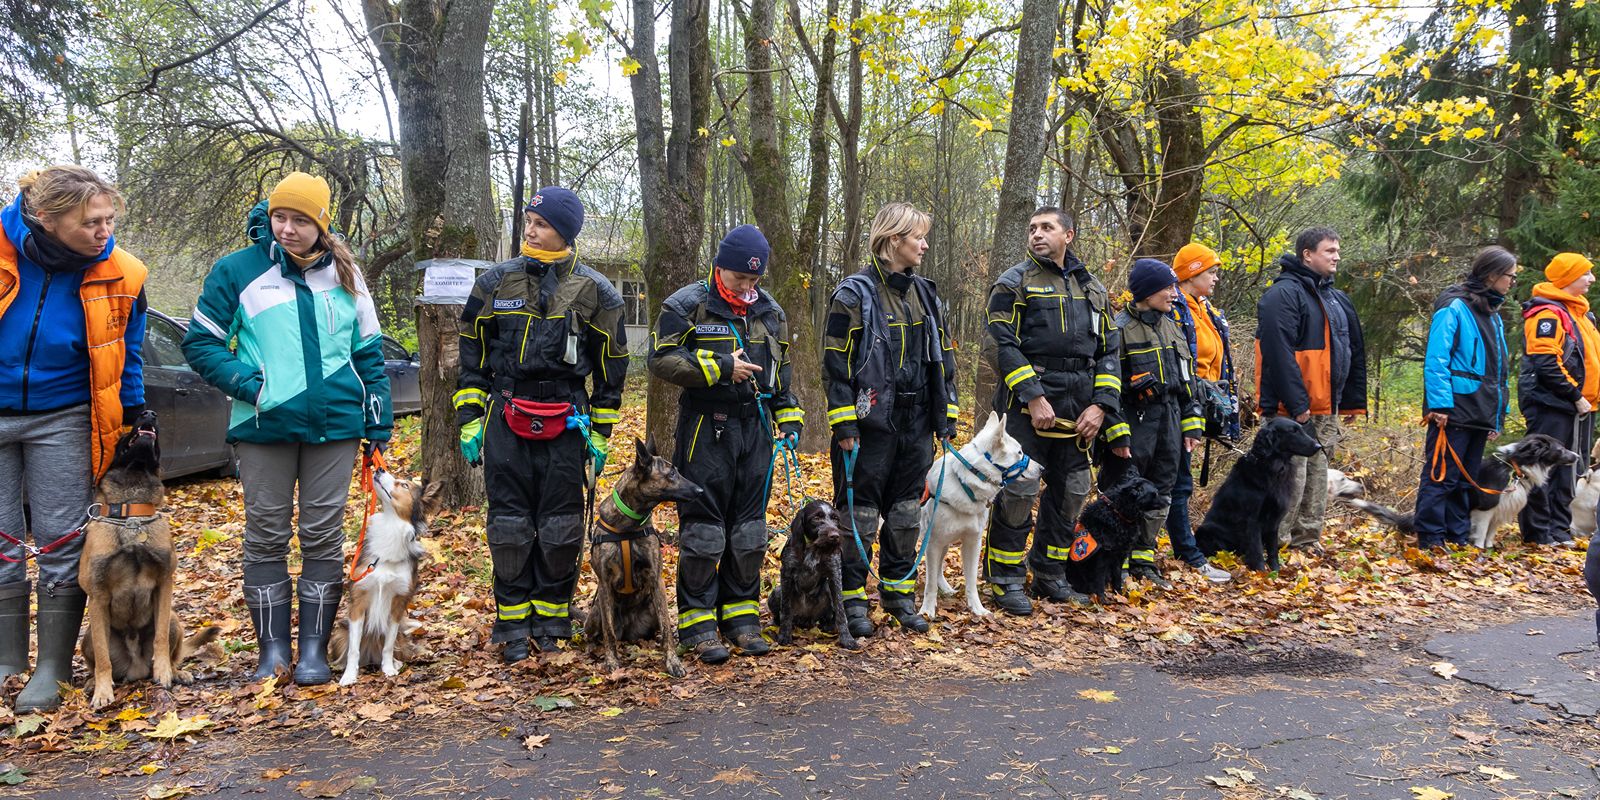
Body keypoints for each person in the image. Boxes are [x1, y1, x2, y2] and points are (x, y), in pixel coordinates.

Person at [184, 172, 391, 685]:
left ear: (322, 223)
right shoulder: (237, 271)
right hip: (263, 424)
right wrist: (250, 385)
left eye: (301, 219)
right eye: (281, 217)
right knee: (265, 535)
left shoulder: (347, 276)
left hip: (336, 426)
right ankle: (272, 651)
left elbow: (369, 354)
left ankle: (315, 653)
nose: (288, 228)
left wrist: (377, 420)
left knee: (322, 535)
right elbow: (200, 342)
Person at [453, 186, 628, 662]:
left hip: (568, 419)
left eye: (542, 223)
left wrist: (600, 432)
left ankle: (553, 621)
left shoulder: (598, 291)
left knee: (561, 527)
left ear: (565, 232)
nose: (530, 229)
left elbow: (613, 368)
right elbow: (472, 357)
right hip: (506, 415)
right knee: (508, 525)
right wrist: (470, 419)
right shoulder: (494, 283)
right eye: (528, 221)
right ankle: (511, 624)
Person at [0, 166, 148, 711]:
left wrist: (134, 414)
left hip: (65, 414)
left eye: (109, 219)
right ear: (46, 219)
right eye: (90, 222)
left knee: (63, 540)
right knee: (2, 540)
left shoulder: (123, 272)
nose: (103, 231)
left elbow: (128, 349)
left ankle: (52, 668)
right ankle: (7, 660)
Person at [648, 225, 803, 663]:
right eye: (739, 279)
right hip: (704, 429)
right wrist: (717, 367)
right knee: (704, 531)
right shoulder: (687, 304)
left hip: (754, 431)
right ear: (720, 267)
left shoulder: (771, 311)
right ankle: (697, 625)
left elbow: (783, 373)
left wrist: (788, 419)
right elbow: (659, 359)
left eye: (754, 280)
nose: (747, 288)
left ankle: (742, 620)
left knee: (749, 531)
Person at [822, 202, 959, 637]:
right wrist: (844, 425)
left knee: (904, 514)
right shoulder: (852, 294)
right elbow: (834, 365)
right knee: (858, 516)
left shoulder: (927, 294)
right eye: (917, 236)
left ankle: (899, 595)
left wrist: (945, 417)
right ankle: (852, 602)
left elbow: (945, 361)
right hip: (868, 427)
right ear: (893, 240)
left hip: (916, 424)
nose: (924, 244)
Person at [982, 207, 1119, 614]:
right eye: (1032, 229)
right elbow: (999, 345)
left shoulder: (1092, 288)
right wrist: (1031, 395)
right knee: (1020, 491)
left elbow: (1110, 351)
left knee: (1072, 492)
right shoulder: (1014, 282)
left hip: (1078, 412)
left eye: (1047, 228)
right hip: (1028, 411)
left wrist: (1101, 405)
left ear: (1069, 235)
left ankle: (1050, 575)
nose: (1037, 234)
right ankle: (1005, 578)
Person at [1255, 227, 1367, 555]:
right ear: (1307, 254)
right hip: (1290, 408)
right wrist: (1297, 402)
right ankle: (1274, 544)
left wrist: (1350, 403)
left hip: (1325, 405)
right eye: (1329, 250)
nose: (1337, 256)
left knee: (1318, 474)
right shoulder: (1282, 294)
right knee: (1289, 477)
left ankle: (1307, 541)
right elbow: (1277, 353)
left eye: (1337, 250)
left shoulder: (1334, 298)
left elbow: (1352, 350)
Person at [1099, 259, 1203, 589]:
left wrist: (1192, 423)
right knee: (1125, 491)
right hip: (1134, 421)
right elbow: (1106, 384)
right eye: (1167, 287)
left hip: (1170, 422)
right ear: (1146, 291)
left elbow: (1190, 382)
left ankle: (1144, 560)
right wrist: (1116, 430)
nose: (1174, 294)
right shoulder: (1119, 328)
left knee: (1162, 491)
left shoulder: (1173, 327)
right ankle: (1120, 563)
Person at [1416, 247, 1516, 548]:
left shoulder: (1492, 313)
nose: (1512, 282)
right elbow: (1436, 359)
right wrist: (1440, 405)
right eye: (1509, 276)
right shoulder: (1453, 306)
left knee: (1465, 479)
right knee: (1441, 476)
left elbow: (1498, 369)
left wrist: (1498, 413)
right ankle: (1431, 538)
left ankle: (1456, 537)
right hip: (1456, 407)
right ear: (1491, 275)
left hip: (1480, 410)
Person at [1165, 243, 1237, 583]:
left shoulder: (1206, 309)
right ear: (1192, 273)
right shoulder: (1175, 308)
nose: (1216, 278)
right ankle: (1186, 552)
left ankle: (1183, 549)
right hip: (1177, 404)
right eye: (1210, 271)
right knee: (1177, 480)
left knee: (1182, 478)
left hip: (1200, 404)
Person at [1517, 252, 1600, 546]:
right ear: (1568, 279)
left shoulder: (1582, 314)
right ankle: (1539, 534)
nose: (1591, 279)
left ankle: (1559, 531)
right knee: (1544, 470)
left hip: (1579, 406)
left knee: (1569, 470)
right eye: (1585, 274)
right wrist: (1575, 395)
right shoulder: (1548, 314)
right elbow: (1545, 362)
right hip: (1551, 403)